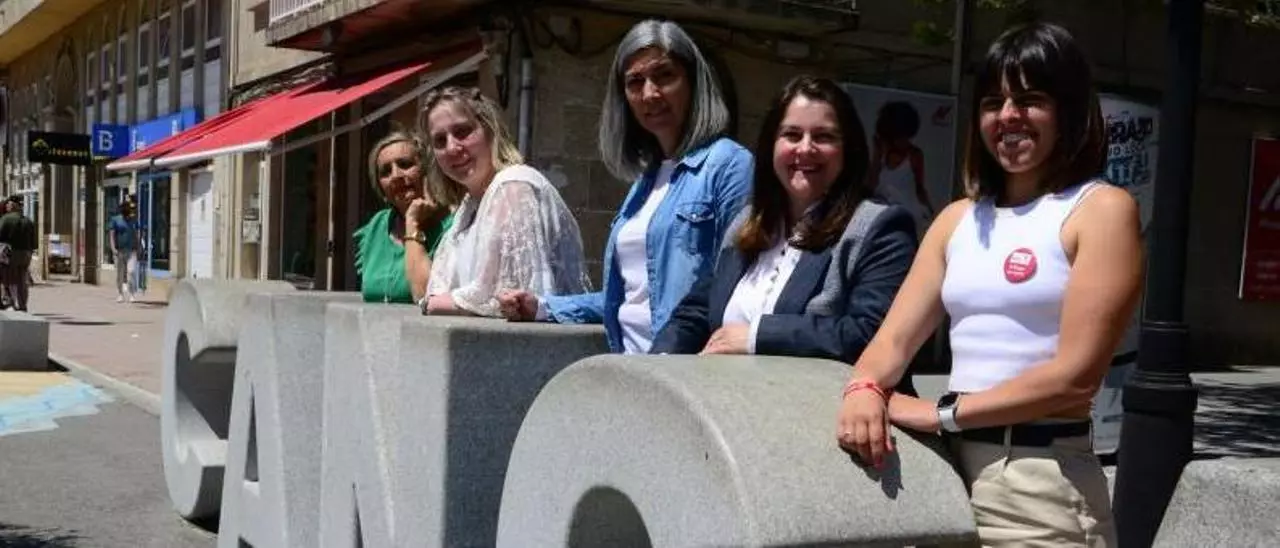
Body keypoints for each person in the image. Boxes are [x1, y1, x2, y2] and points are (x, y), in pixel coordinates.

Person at [836, 23, 1142, 546]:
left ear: (1068, 111)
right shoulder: (957, 220)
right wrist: (863, 388)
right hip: (944, 474)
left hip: (1039, 484)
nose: (1008, 116)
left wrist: (943, 413)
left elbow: (1073, 377)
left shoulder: (1101, 210)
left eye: (1031, 100)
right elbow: (892, 341)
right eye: (993, 103)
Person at [496, 19, 753, 354]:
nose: (650, 94)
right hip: (629, 365)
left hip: (681, 369)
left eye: (665, 75)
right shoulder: (644, 183)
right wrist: (543, 307)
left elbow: (734, 283)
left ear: (693, 82)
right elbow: (630, 298)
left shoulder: (729, 164)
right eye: (635, 82)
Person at [650, 75, 917, 378]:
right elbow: (697, 311)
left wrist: (756, 336)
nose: (805, 148)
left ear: (848, 149)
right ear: (771, 146)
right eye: (792, 135)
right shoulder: (748, 222)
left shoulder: (879, 228)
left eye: (824, 137)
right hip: (728, 397)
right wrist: (658, 363)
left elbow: (870, 334)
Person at [419, 86, 589, 317]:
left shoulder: (514, 186)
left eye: (462, 132)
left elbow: (515, 299)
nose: (451, 148)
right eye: (440, 140)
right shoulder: (468, 207)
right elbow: (435, 292)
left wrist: (441, 303)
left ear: (490, 130)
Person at [354, 130, 455, 304]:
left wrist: (412, 223)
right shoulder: (376, 226)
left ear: (427, 171)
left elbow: (426, 297)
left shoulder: (453, 228)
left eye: (405, 164)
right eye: (386, 172)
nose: (396, 175)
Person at [868, 101, 934, 236]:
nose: (905, 141)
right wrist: (877, 155)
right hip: (882, 217)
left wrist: (932, 214)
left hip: (908, 216)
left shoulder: (914, 155)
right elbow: (870, 186)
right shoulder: (881, 154)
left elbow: (919, 188)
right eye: (901, 137)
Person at [0, 196, 36, 311]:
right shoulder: (28, 221)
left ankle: (10, 302)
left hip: (11, 253)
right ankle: (23, 305)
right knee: (22, 280)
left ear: (13, 206)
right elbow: (34, 242)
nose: (6, 206)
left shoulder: (6, 219)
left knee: (7, 278)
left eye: (8, 204)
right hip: (26, 254)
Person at [108, 200, 142, 303]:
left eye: (129, 209)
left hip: (131, 250)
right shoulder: (115, 220)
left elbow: (136, 234)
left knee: (131, 272)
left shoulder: (133, 220)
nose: (128, 211)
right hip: (119, 251)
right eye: (126, 209)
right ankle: (120, 294)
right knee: (120, 274)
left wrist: (139, 247)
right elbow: (112, 235)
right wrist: (113, 248)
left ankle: (132, 294)